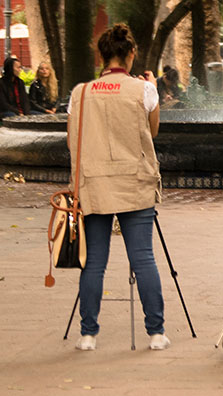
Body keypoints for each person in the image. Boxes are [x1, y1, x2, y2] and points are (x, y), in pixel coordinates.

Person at [67, 23, 168, 351]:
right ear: (131, 54)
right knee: (143, 257)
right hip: (134, 182)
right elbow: (152, 133)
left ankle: (88, 334)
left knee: (94, 260)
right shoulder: (143, 90)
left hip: (93, 183)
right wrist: (152, 90)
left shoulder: (80, 93)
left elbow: (73, 140)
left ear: (102, 55)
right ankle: (155, 333)